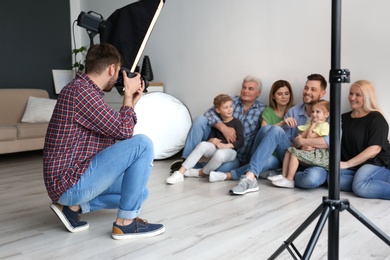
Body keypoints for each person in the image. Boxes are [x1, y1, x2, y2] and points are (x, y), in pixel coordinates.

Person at [43, 43, 165, 239]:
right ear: (111, 69)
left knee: (139, 194)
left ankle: (72, 208)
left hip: (72, 180)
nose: (118, 77)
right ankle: (126, 223)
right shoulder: (81, 93)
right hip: (69, 181)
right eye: (118, 71)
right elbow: (124, 132)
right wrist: (126, 95)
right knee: (143, 144)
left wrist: (132, 101)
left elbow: (114, 132)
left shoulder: (84, 91)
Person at [222, 74, 329, 195]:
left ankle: (285, 176)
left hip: (315, 161)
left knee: (310, 179)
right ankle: (250, 178)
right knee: (276, 131)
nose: (307, 92)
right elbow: (286, 142)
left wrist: (303, 142)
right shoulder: (293, 111)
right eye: (306, 88)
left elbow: (332, 142)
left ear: (322, 93)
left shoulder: (329, 113)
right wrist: (299, 145)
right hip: (292, 156)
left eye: (313, 89)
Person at [169, 76, 266, 175]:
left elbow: (261, 133)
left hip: (236, 154)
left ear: (258, 93)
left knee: (223, 169)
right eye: (244, 87)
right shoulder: (231, 100)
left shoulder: (263, 110)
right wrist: (223, 128)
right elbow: (209, 113)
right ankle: (186, 161)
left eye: (250, 89)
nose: (245, 91)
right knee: (200, 120)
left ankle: (197, 168)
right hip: (215, 143)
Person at [210, 79, 295, 182]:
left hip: (283, 154)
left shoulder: (293, 111)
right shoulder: (268, 111)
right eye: (280, 94)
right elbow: (264, 131)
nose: (284, 97)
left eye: (286, 94)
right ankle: (261, 171)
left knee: (268, 155)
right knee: (268, 132)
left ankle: (229, 175)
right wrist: (282, 122)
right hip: (263, 152)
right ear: (273, 96)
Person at [166, 94, 244, 184]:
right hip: (217, 148)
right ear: (218, 110)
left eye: (231, 106)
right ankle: (180, 173)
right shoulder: (217, 123)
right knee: (202, 145)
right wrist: (211, 141)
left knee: (220, 154)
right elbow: (211, 137)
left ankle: (201, 172)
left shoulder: (237, 123)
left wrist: (226, 145)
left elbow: (241, 142)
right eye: (226, 107)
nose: (229, 109)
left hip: (230, 151)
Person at [339, 80, 390, 200]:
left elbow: (374, 149)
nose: (352, 98)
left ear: (367, 97)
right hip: (355, 165)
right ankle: (366, 180)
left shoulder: (377, 119)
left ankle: (363, 181)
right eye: (351, 94)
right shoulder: (343, 118)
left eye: (358, 95)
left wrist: (347, 164)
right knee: (334, 180)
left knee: (360, 187)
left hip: (376, 162)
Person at [270, 100, 330, 188]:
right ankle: (283, 176)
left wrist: (312, 126)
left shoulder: (324, 125)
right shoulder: (311, 123)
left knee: (295, 155)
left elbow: (309, 136)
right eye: (313, 111)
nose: (314, 114)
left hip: (317, 154)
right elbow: (299, 137)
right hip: (308, 151)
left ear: (326, 114)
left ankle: (290, 179)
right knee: (289, 150)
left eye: (318, 112)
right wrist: (309, 128)